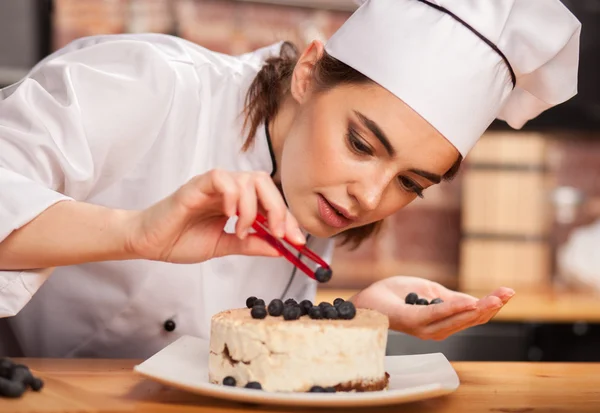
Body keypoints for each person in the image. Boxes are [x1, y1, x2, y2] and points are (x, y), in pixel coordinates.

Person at [0, 0, 581, 358]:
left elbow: (224, 351)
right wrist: (136, 232)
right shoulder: (146, 84)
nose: (371, 197)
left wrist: (357, 313)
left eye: (411, 182)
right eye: (360, 143)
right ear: (308, 73)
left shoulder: (311, 189)